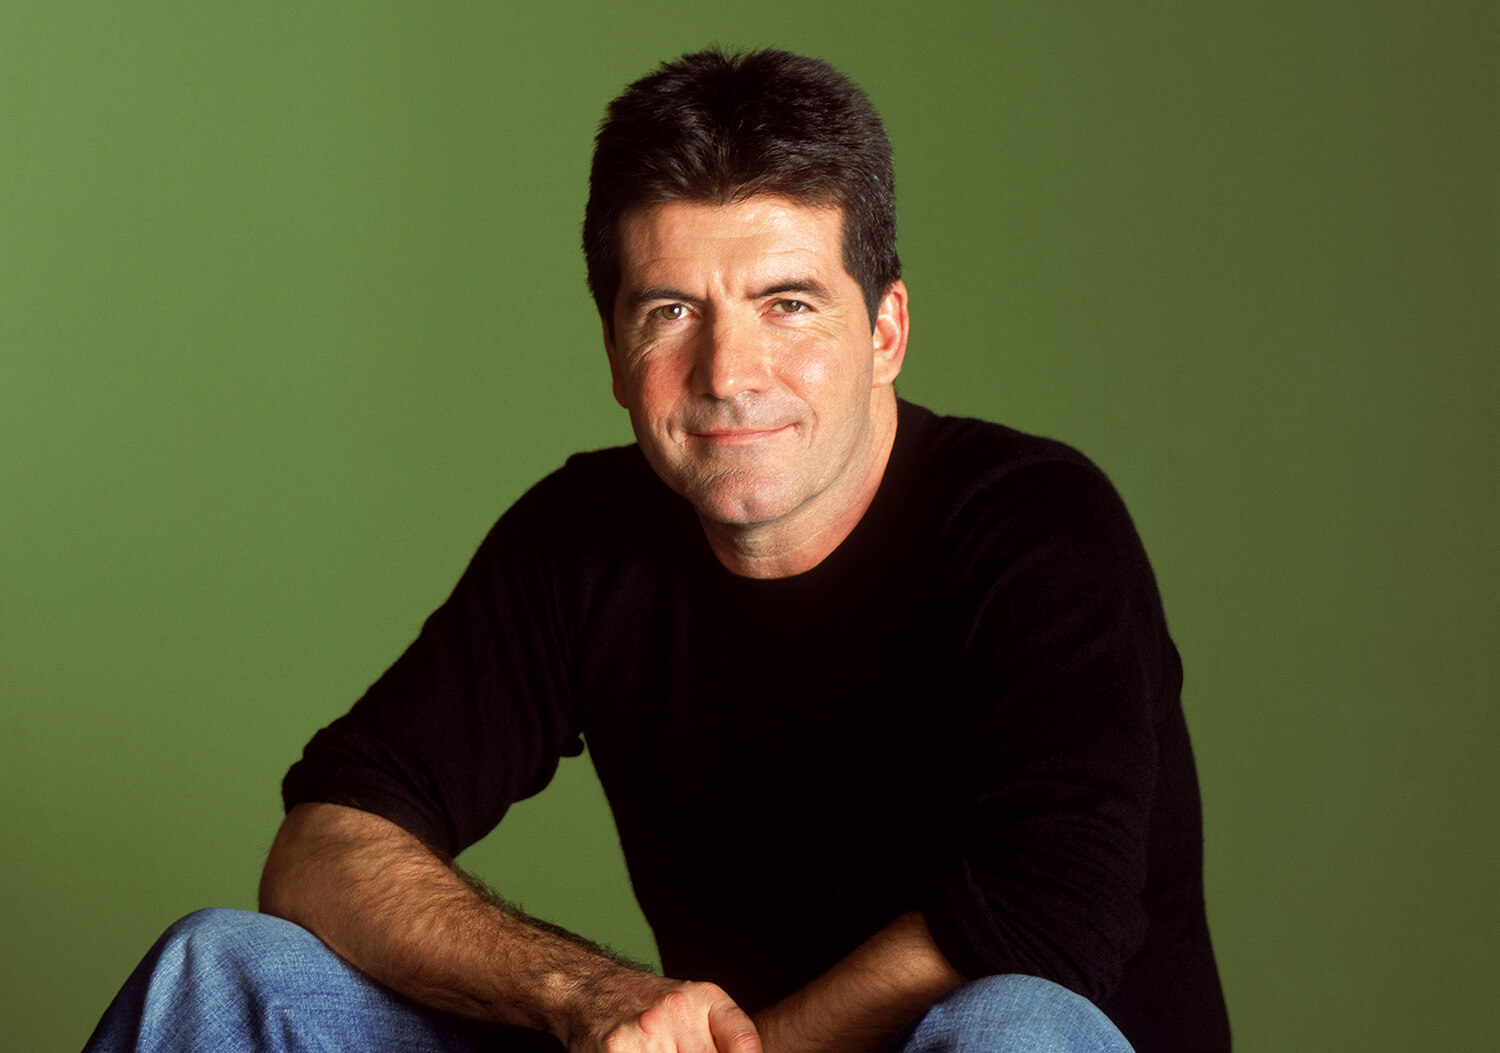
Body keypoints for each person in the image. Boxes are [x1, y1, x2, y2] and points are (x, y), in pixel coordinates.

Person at [85, 48, 1230, 1053]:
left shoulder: (1032, 524)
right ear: (614, 352)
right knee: (222, 969)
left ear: (886, 330)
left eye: (788, 305)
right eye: (672, 311)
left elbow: (1053, 919)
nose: (728, 374)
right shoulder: (585, 539)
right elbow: (324, 844)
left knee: (1012, 1025)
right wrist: (588, 996)